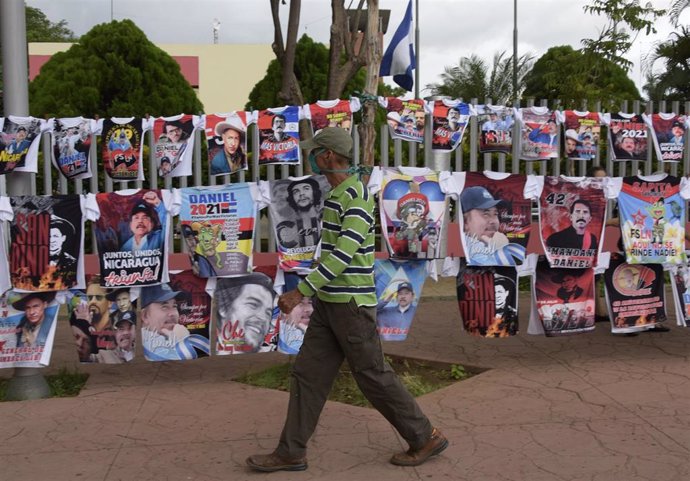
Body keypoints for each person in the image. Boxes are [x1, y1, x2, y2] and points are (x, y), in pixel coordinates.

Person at [247, 127, 447, 473]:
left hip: (351, 307)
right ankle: (291, 451)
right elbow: (333, 255)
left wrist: (301, 292)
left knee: (372, 374)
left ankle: (423, 436)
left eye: (314, 153)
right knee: (308, 375)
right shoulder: (339, 193)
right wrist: (315, 293)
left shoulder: (353, 195)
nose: (311, 158)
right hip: (330, 305)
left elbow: (343, 254)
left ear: (327, 156)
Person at [461, 186, 525, 265]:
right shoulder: (470, 252)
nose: (494, 221)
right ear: (465, 222)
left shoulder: (484, 246)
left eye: (495, 214)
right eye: (486, 214)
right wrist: (501, 251)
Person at [215, 273, 275, 354]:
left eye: (268, 313)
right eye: (253, 305)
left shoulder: (270, 361)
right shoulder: (200, 348)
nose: (263, 317)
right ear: (223, 307)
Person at [140, 283, 190, 360]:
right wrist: (183, 342)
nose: (173, 313)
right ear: (145, 316)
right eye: (164, 307)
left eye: (174, 306)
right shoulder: (151, 344)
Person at [284, 177, 322, 247]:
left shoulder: (325, 218)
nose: (301, 193)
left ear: (314, 192)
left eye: (306, 188)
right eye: (296, 191)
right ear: (292, 197)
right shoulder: (288, 225)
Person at [48, 215, 77, 280]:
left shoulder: (71, 262)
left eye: (55, 236)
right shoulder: (34, 260)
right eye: (48, 236)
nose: (51, 240)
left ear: (63, 238)